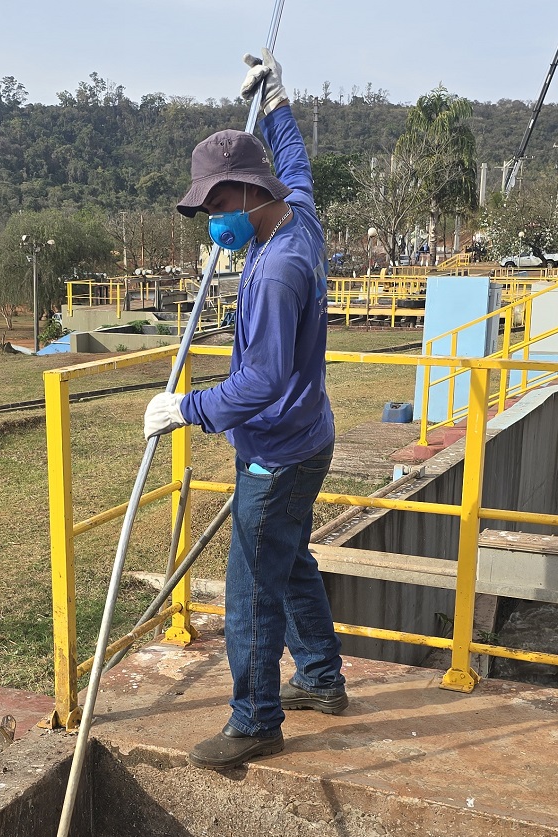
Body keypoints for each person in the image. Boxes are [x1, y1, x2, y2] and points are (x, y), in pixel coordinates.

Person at [143, 49, 346, 771]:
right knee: (288, 562)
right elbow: (297, 160)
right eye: (206, 214)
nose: (212, 226)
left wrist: (184, 408)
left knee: (251, 587)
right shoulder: (296, 217)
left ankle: (255, 718)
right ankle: (320, 678)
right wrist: (279, 100)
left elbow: (258, 382)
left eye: (219, 210)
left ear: (251, 195)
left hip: (278, 448)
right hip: (307, 433)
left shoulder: (277, 272)